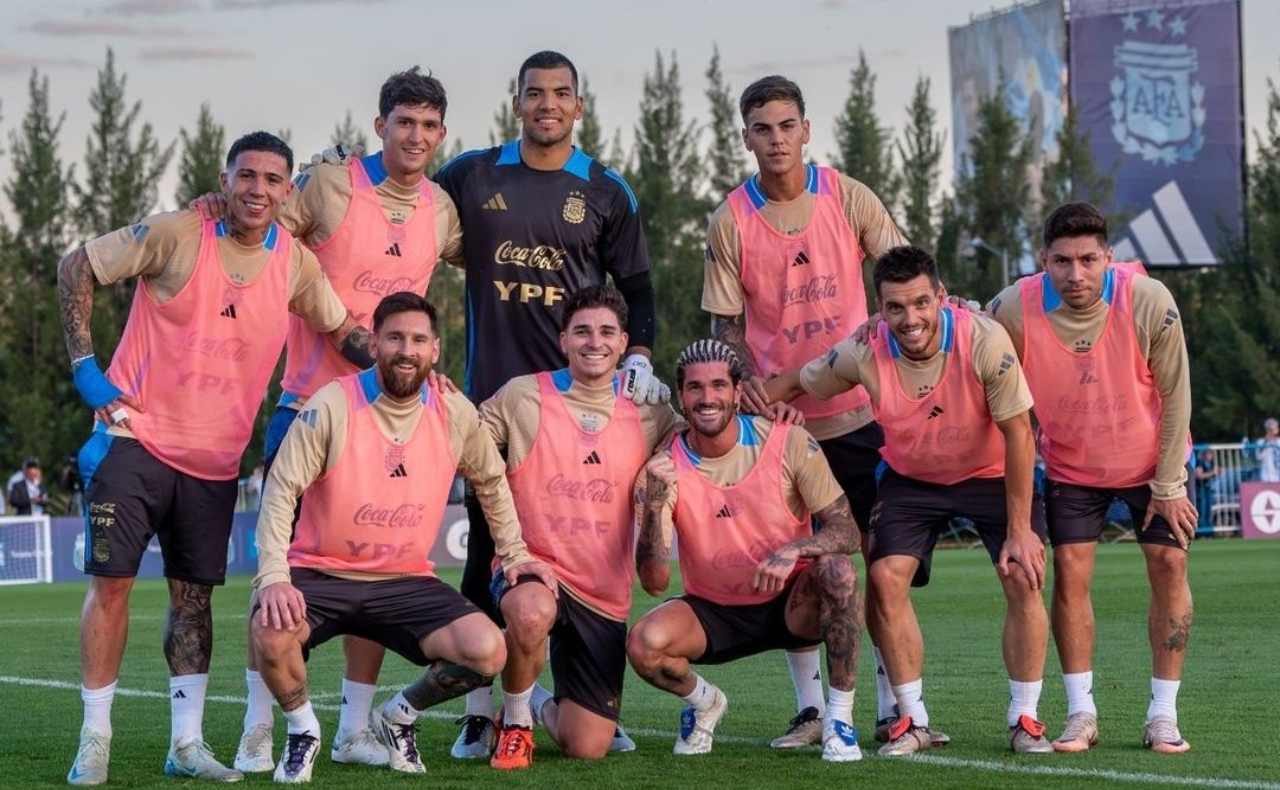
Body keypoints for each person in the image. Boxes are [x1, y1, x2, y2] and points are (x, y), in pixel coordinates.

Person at [60, 131, 374, 786]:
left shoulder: (293, 262)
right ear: (225, 179)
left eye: (272, 179)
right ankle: (94, 739)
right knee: (112, 585)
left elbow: (343, 332)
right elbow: (77, 265)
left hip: (214, 462)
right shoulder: (179, 231)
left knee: (194, 600)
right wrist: (87, 371)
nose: (258, 189)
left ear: (289, 191)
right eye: (247, 175)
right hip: (134, 439)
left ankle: (187, 745)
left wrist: (410, 368)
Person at [217, 67, 465, 775]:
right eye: (402, 122)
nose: (414, 137)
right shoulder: (328, 184)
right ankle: (261, 726)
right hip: (307, 402)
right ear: (379, 124)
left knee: (378, 575)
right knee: (277, 575)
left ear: (441, 135)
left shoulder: (441, 208)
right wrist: (216, 208)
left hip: (392, 421)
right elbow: (260, 231)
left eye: (427, 126)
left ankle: (357, 727)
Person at [432, 49, 661, 758]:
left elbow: (639, 287)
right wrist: (353, 173)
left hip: (584, 401)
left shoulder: (606, 189)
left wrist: (643, 358)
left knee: (588, 543)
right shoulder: (472, 173)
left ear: (579, 107)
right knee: (489, 558)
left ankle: (575, 700)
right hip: (495, 406)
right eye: (535, 93)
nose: (548, 105)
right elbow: (406, 205)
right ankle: (480, 710)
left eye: (561, 94)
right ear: (517, 102)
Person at [250, 292, 556, 782]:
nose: (406, 350)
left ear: (435, 350)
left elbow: (492, 480)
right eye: (394, 337)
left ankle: (399, 715)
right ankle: (303, 729)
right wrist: (273, 576)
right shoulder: (333, 402)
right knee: (268, 629)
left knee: (487, 650)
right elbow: (281, 489)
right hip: (323, 573)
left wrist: (514, 551)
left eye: (417, 340)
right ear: (374, 344)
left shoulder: (453, 411)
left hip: (406, 581)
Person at [764, 246, 1052, 755]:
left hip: (989, 472)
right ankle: (911, 719)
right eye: (895, 307)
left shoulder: (984, 340)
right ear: (879, 308)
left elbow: (1019, 434)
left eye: (921, 303)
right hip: (912, 479)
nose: (910, 318)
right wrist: (731, 409)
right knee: (883, 575)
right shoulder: (863, 350)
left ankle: (1024, 717)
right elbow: (797, 382)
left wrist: (1021, 528)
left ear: (942, 297)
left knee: (1021, 571)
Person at [701, 74, 911, 748]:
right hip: (782, 428)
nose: (776, 139)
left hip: (857, 417)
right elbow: (726, 323)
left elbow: (900, 272)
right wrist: (748, 380)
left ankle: (891, 707)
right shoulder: (731, 217)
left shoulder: (848, 196)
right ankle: (811, 710)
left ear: (806, 130)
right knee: (795, 567)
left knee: (873, 567)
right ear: (746, 138)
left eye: (787, 126)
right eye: (762, 129)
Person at [987, 201, 1195, 754]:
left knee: (1169, 562)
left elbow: (1177, 395)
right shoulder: (1013, 305)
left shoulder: (1149, 300)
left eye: (1087, 260)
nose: (1075, 275)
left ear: (1108, 257)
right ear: (1043, 260)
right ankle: (1081, 712)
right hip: (1073, 465)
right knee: (1071, 573)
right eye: (1061, 261)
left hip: (1151, 462)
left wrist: (1169, 485)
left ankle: (1163, 715)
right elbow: (972, 343)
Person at [627, 339, 866, 763]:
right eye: (695, 388)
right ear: (680, 396)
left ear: (739, 391)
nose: (707, 398)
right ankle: (705, 703)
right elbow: (654, 582)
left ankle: (838, 722)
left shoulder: (789, 440)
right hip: (715, 612)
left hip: (792, 604)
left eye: (719, 385)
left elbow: (847, 531)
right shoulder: (663, 466)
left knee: (839, 573)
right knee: (644, 643)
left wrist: (794, 549)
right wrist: (656, 505)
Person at [479, 285, 683, 769]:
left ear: (624, 342)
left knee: (586, 745)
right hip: (536, 568)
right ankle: (514, 724)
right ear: (563, 339)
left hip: (603, 591)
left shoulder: (650, 410)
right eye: (583, 331)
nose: (595, 342)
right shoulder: (522, 394)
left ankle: (533, 696)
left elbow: (701, 441)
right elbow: (466, 441)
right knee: (529, 615)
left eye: (607, 332)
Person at [1193, 449, 1218, 530]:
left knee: (1208, 511)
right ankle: (1201, 530)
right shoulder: (1200, 462)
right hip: (1201, 490)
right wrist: (1212, 473)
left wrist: (1217, 473)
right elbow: (1199, 475)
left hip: (1208, 489)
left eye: (1210, 454)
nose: (1209, 456)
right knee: (1201, 511)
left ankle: (1208, 530)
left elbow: (1213, 476)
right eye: (1207, 454)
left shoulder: (1211, 463)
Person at [1255, 418, 1280, 483]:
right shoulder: (1260, 442)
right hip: (1266, 476)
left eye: (1274, 429)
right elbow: (1259, 457)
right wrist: (1266, 442)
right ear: (1266, 430)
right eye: (1269, 429)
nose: (1272, 431)